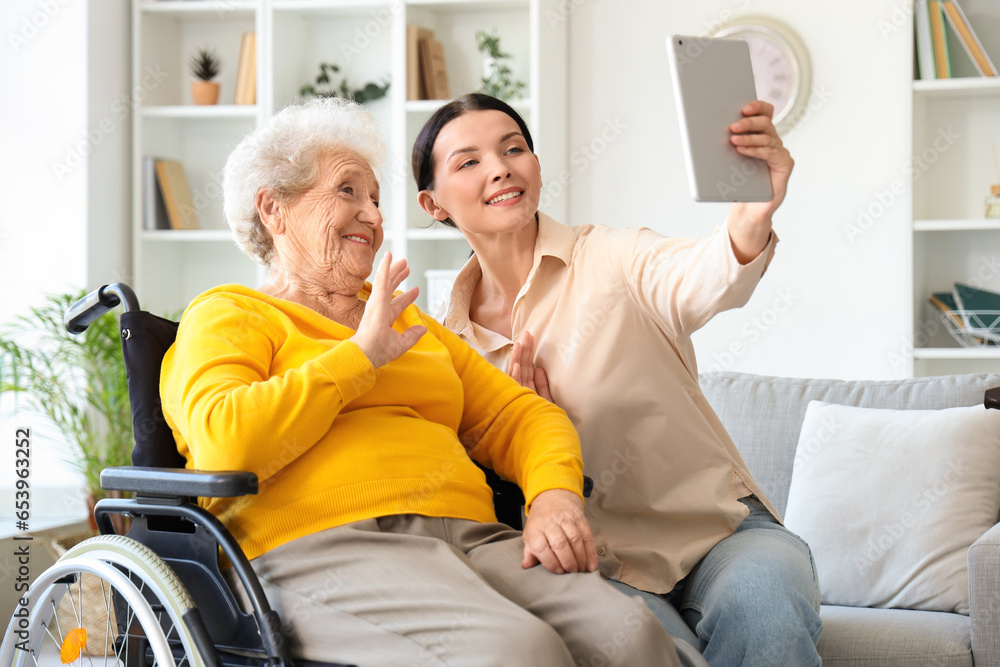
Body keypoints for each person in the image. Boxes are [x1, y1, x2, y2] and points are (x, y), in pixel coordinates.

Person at [158, 97, 679, 667]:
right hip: (318, 545)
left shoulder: (409, 324)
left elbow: (522, 414)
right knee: (515, 652)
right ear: (273, 209)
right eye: (348, 191)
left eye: (377, 199)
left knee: (632, 634)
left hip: (470, 538)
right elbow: (227, 444)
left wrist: (553, 496)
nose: (375, 217)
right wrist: (359, 357)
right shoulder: (229, 313)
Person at [412, 93, 822, 666]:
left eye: (514, 149)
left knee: (765, 613)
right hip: (598, 564)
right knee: (642, 649)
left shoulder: (613, 257)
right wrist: (530, 433)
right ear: (433, 204)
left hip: (721, 531)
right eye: (469, 161)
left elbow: (706, 277)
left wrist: (752, 213)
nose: (501, 167)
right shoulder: (446, 347)